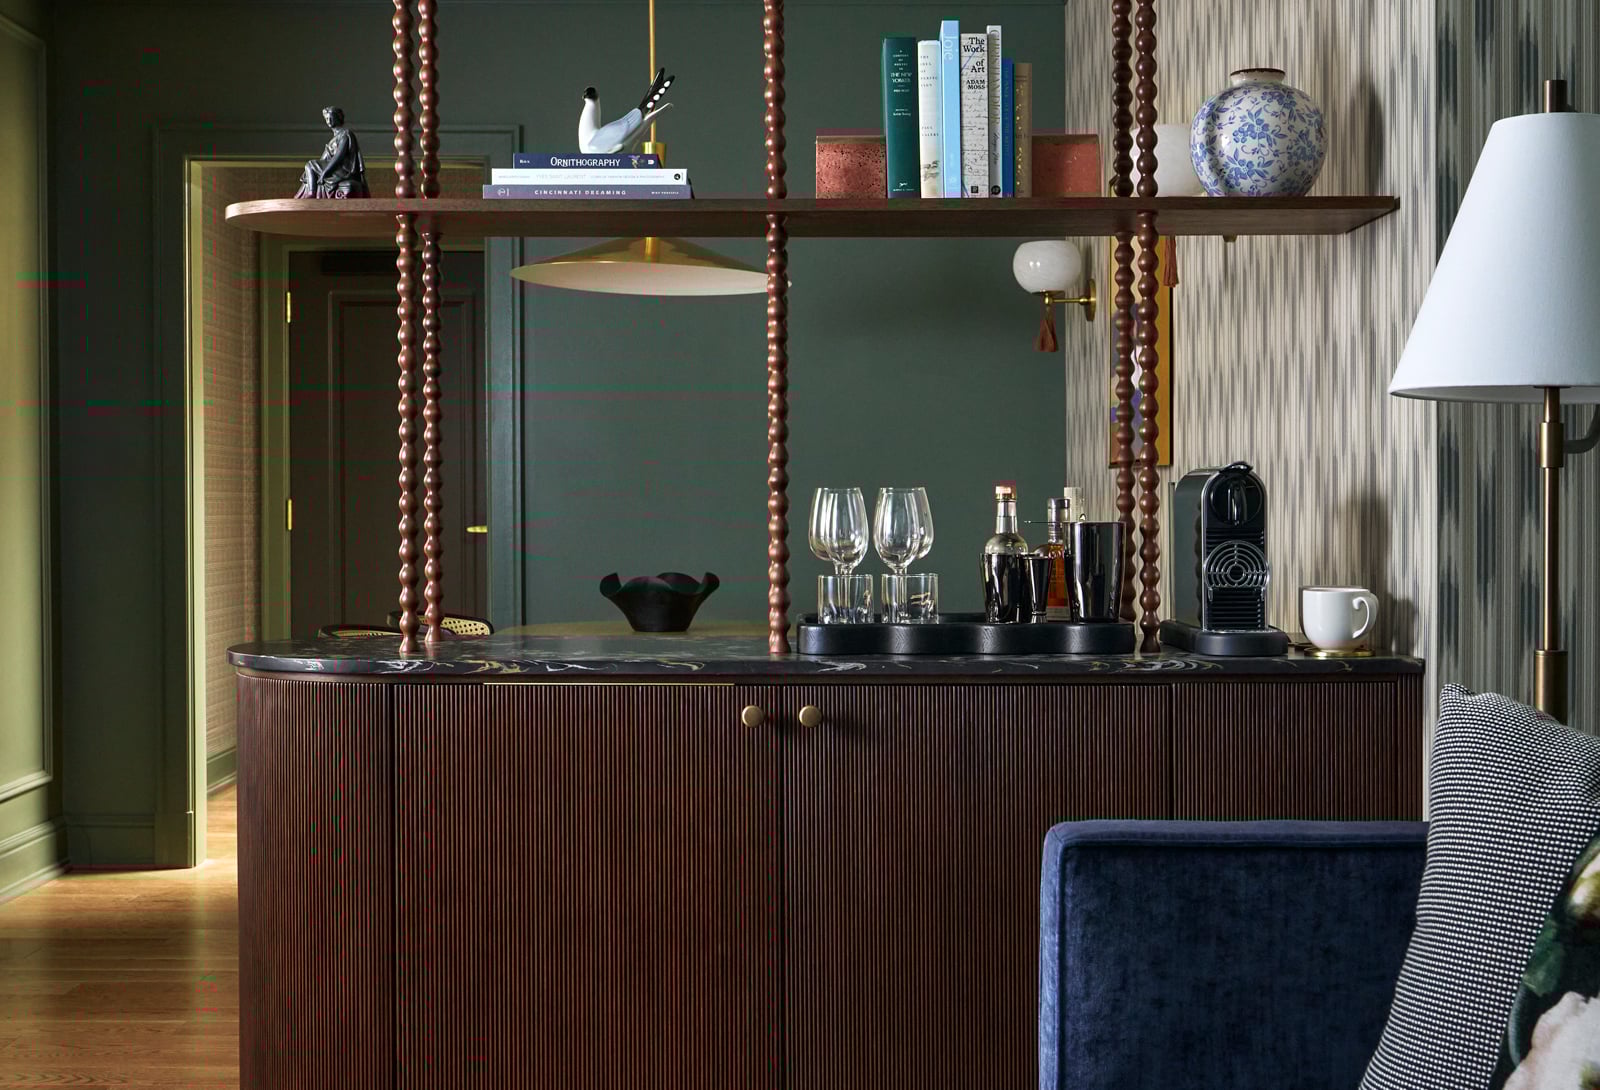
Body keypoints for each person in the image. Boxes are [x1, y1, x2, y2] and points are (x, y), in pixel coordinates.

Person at [295, 107, 369, 199]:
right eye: (326, 118)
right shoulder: (333, 140)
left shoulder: (345, 134)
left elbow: (338, 157)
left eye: (331, 117)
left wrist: (324, 173)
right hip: (333, 170)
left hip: (343, 171)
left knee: (310, 164)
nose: (328, 120)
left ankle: (311, 193)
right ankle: (300, 197)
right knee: (309, 172)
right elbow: (323, 160)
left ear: (338, 117)